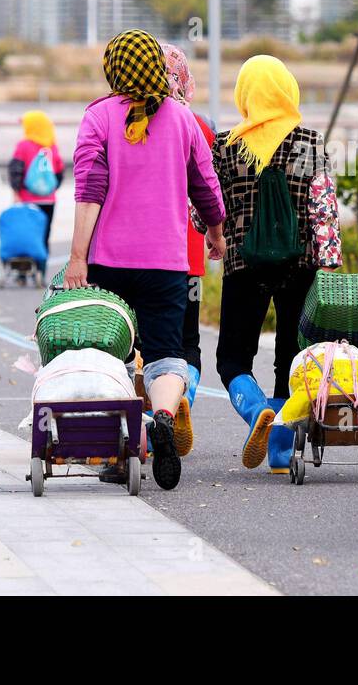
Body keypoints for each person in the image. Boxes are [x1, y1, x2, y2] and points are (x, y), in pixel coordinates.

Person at [64, 29, 226, 491]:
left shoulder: (98, 117)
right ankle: (162, 416)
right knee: (165, 355)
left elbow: (89, 191)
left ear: (113, 69)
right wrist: (215, 234)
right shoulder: (183, 119)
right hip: (167, 265)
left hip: (110, 265)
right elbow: (206, 186)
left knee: (110, 357)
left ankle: (119, 452)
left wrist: (79, 258)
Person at [212, 55, 341, 474]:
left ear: (245, 94)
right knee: (291, 357)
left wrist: (214, 236)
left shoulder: (225, 146)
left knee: (232, 357)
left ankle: (254, 414)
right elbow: (323, 207)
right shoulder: (308, 142)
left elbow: (206, 209)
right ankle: (281, 452)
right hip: (299, 266)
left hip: (242, 266)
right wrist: (330, 262)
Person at [162, 45, 215, 448]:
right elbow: (211, 190)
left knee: (146, 343)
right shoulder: (202, 125)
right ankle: (186, 398)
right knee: (188, 343)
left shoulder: (134, 119)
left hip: (142, 258)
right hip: (190, 257)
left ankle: (157, 412)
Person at [8, 110, 65, 264]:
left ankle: (25, 265)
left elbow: (16, 170)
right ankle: (42, 263)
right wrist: (50, 190)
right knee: (45, 232)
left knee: (27, 232)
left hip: (27, 199)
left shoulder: (23, 145)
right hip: (49, 200)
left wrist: (16, 192)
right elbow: (59, 172)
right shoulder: (52, 146)